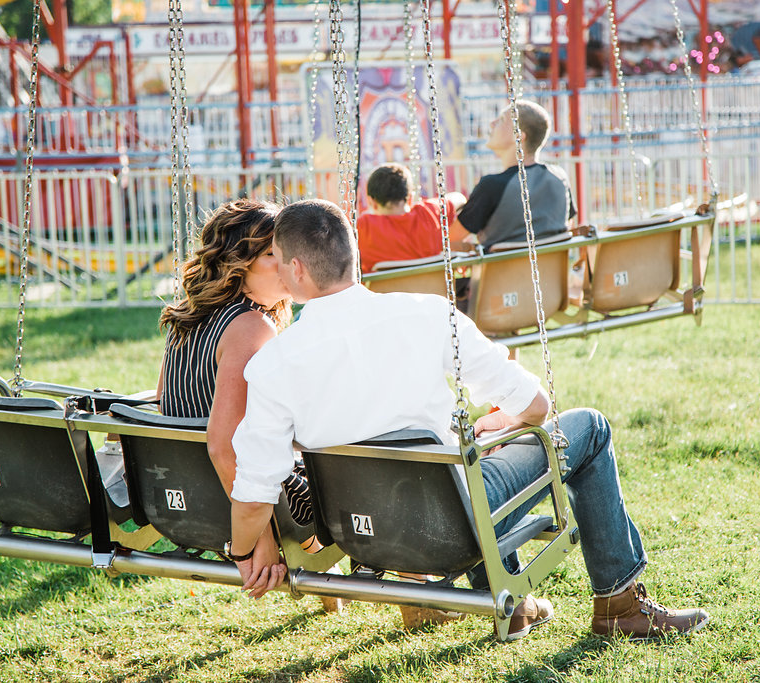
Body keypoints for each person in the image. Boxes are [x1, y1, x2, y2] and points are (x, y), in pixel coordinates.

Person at [227, 199, 710, 641]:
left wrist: (248, 554)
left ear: (295, 268)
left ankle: (516, 604)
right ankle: (620, 605)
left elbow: (253, 495)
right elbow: (535, 404)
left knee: (468, 464)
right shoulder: (428, 314)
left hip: (361, 537)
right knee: (588, 427)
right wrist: (504, 420)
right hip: (453, 525)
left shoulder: (272, 365)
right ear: (352, 257)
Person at [155, 198, 316, 546]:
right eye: (273, 255)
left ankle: (332, 593)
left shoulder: (186, 317)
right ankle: (409, 581)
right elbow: (223, 446)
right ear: (239, 264)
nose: (290, 264)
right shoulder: (251, 327)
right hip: (236, 496)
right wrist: (259, 538)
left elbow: (163, 404)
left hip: (185, 489)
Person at [450, 99, 576, 250]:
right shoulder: (559, 178)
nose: (492, 123)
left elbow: (448, 240)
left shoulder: (492, 186)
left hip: (500, 273)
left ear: (519, 136)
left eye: (501, 120)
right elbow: (567, 226)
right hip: (550, 272)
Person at [356, 163, 458, 274]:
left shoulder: (363, 227)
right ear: (410, 198)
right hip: (431, 290)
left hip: (384, 291)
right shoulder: (428, 214)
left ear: (372, 202)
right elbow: (459, 198)